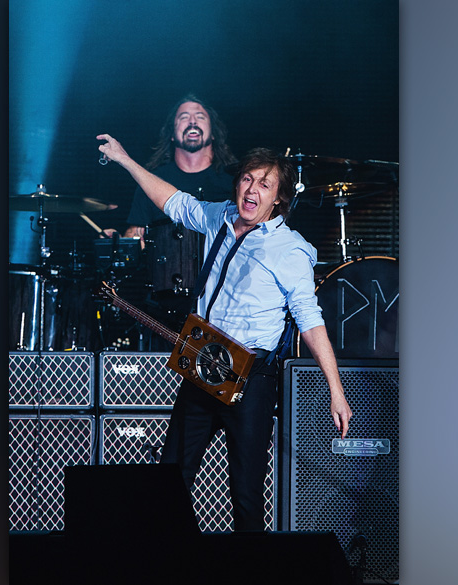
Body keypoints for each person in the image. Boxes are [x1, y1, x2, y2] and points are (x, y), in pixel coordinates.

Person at [97, 133, 353, 532]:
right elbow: (174, 201)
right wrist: (126, 160)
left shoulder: (291, 250)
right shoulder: (218, 217)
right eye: (248, 179)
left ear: (278, 199)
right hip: (204, 367)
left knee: (246, 495)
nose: (252, 190)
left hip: (252, 379)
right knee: (170, 479)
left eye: (264, 185)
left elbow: (309, 318)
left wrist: (337, 392)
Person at [102, 95, 237, 343]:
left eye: (200, 116)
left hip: (227, 300)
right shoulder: (151, 182)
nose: (192, 121)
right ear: (173, 135)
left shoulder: (234, 182)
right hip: (164, 305)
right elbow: (136, 238)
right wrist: (121, 244)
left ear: (213, 132)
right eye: (183, 117)